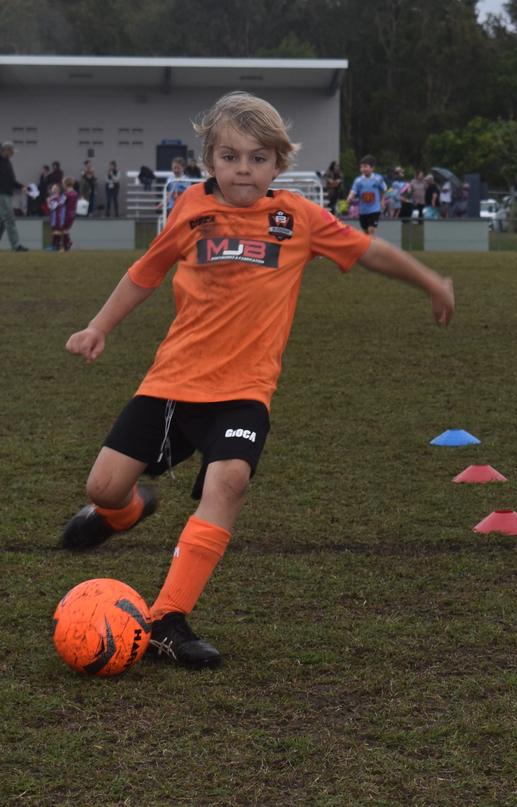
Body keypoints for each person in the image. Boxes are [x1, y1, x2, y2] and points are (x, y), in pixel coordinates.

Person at [61, 91, 454, 671]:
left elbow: (369, 251)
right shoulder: (190, 210)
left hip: (244, 391)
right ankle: (124, 513)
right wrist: (98, 327)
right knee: (103, 487)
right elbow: (144, 274)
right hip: (172, 382)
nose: (244, 168)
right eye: (230, 156)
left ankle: (168, 618)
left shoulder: (297, 218)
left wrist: (430, 281)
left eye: (258, 157)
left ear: (278, 163)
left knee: (229, 483)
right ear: (209, 161)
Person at [346, 155, 387, 236]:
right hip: (363, 210)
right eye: (361, 167)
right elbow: (353, 191)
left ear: (372, 168)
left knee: (371, 230)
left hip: (375, 209)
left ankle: (371, 247)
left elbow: (384, 189)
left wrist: (382, 200)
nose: (363, 169)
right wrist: (350, 197)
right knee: (365, 233)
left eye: (365, 167)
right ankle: (369, 246)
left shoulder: (378, 179)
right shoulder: (358, 181)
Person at [0, 142, 29, 251]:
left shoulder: (8, 162)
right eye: (11, 152)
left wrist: (21, 186)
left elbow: (11, 180)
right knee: (9, 219)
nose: (13, 154)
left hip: (6, 194)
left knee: (2, 222)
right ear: (5, 150)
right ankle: (16, 245)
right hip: (2, 194)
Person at [47, 182, 67, 251]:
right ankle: (56, 246)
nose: (54, 189)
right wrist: (49, 202)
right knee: (55, 231)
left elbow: (57, 205)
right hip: (53, 217)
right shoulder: (51, 198)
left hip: (59, 217)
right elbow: (50, 207)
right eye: (53, 188)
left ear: (59, 189)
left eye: (55, 188)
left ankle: (56, 246)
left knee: (57, 231)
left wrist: (50, 202)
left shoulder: (62, 197)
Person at [62, 176, 79, 251]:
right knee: (65, 229)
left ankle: (66, 246)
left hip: (66, 213)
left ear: (65, 184)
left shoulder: (66, 194)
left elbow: (61, 203)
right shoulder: (75, 193)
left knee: (64, 230)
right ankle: (68, 242)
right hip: (72, 213)